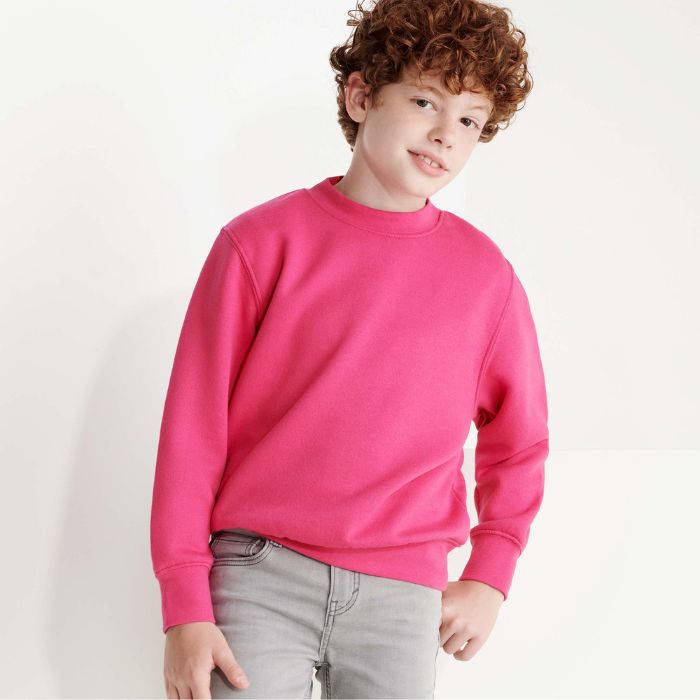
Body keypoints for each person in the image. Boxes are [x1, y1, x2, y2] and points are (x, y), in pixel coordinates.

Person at [150, 0, 549, 697]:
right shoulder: (259, 245)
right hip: (259, 573)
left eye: (469, 120)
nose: (445, 134)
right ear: (361, 96)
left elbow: (520, 442)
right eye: (425, 101)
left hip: (403, 594)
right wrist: (184, 602)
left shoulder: (487, 279)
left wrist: (491, 571)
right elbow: (193, 429)